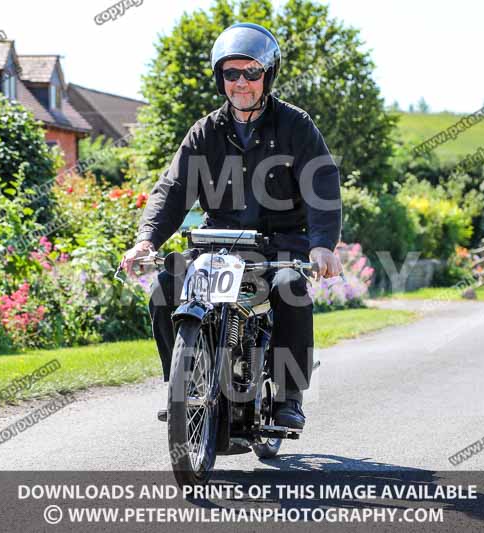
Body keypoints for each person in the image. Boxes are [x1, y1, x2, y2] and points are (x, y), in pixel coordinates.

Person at [120, 22, 342, 430]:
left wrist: (322, 244)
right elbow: (172, 188)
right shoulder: (206, 131)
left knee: (290, 290)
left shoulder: (296, 126)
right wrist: (145, 241)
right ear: (220, 77)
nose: (241, 83)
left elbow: (321, 185)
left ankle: (288, 396)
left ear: (267, 75)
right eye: (231, 73)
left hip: (281, 242)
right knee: (165, 287)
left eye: (251, 72)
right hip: (218, 242)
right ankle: (182, 385)